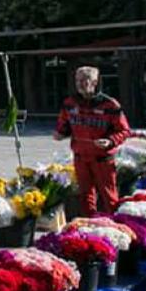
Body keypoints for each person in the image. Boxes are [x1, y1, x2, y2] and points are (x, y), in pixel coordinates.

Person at [53, 65, 130, 216]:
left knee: (109, 198)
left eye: (84, 80)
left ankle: (116, 226)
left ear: (94, 82)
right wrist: (60, 134)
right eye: (77, 80)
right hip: (80, 158)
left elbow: (125, 130)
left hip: (103, 159)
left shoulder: (110, 105)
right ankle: (91, 226)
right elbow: (63, 126)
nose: (80, 84)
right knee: (85, 196)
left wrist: (110, 141)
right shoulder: (69, 103)